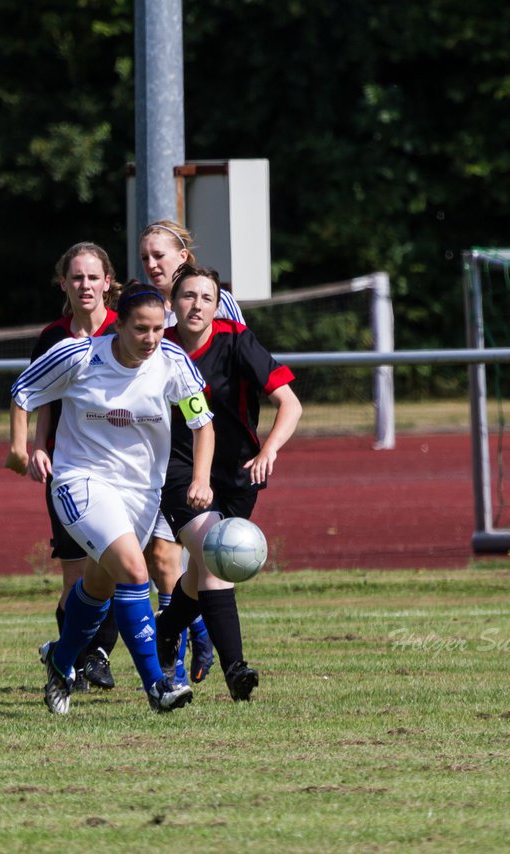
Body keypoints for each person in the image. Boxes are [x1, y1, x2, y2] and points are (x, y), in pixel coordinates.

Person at [10, 281, 215, 714]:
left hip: (141, 493)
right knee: (134, 569)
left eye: (159, 329)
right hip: (80, 481)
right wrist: (19, 447)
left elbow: (202, 423)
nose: (152, 339)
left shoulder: (172, 361)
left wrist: (200, 478)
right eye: (141, 329)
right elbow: (23, 391)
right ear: (117, 324)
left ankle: (60, 662)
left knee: (101, 586)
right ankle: (157, 687)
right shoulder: (80, 355)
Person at [155, 263, 302, 701]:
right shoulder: (157, 348)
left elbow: (289, 403)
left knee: (200, 569)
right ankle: (236, 669)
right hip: (180, 472)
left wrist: (268, 449)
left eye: (205, 297)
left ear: (217, 306)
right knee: (218, 554)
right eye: (187, 296)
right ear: (173, 304)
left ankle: (165, 629)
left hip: (238, 473)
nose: (196, 305)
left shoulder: (236, 340)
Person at [5, 242, 121, 691]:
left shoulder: (124, 329)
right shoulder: (53, 337)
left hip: (120, 469)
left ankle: (85, 655)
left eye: (94, 277)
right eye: (77, 277)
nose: (86, 285)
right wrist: (37, 447)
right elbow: (41, 397)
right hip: (69, 470)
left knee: (117, 567)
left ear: (108, 283)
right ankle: (80, 657)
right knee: (76, 576)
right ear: (64, 284)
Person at [136, 220, 242, 684]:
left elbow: (235, 361)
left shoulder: (214, 300)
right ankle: (178, 658)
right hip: (158, 458)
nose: (152, 264)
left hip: (211, 456)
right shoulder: (142, 307)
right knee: (163, 557)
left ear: (184, 256)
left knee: (204, 561)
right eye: (145, 257)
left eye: (160, 254)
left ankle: (187, 631)